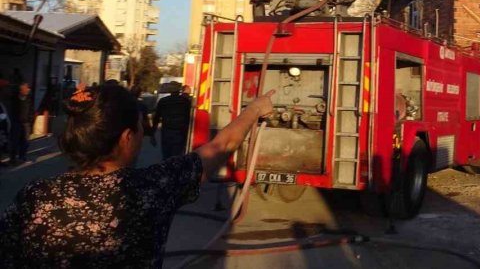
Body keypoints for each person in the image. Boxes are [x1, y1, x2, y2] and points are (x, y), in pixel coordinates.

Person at [0, 83, 274, 267]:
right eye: (140, 130)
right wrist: (255, 110)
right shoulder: (152, 189)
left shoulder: (34, 196)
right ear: (126, 137)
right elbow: (221, 146)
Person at [153, 84, 193, 159]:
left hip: (167, 131)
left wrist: (152, 133)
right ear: (179, 91)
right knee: (177, 154)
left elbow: (156, 118)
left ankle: (167, 168)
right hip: (180, 132)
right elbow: (189, 117)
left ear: (170, 91)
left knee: (166, 154)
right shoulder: (186, 101)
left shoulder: (163, 101)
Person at [4, 83, 34, 165]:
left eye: (29, 88)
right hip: (16, 122)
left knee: (26, 141)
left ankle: (22, 157)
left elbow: (31, 109)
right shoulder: (14, 99)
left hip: (26, 123)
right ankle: (12, 159)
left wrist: (30, 118)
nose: (29, 89)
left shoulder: (29, 98)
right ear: (22, 90)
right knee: (15, 141)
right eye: (27, 88)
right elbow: (10, 110)